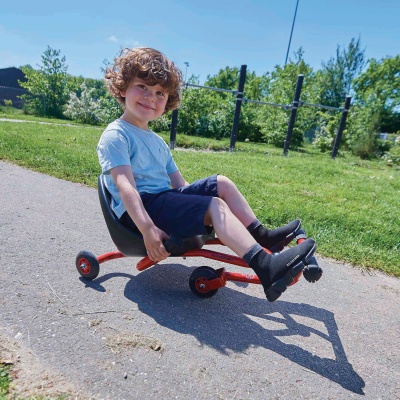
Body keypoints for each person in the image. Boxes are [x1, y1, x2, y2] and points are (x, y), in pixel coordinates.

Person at [97, 47, 317, 302]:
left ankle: (260, 237)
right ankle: (267, 268)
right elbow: (126, 187)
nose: (151, 97)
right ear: (123, 88)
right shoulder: (117, 135)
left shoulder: (157, 141)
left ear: (167, 102)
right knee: (214, 205)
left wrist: (201, 214)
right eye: (142, 87)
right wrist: (148, 230)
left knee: (219, 184)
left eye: (160, 92)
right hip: (141, 213)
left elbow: (181, 186)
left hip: (163, 202)